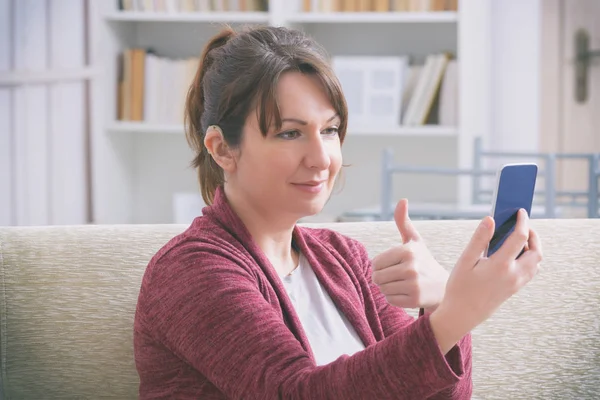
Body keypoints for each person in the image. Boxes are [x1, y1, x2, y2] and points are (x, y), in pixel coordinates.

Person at [133, 25, 543, 399]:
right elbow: (294, 392)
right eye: (290, 133)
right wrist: (457, 313)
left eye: (329, 130)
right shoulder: (190, 270)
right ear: (222, 149)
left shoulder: (343, 256)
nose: (321, 158)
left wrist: (441, 306)